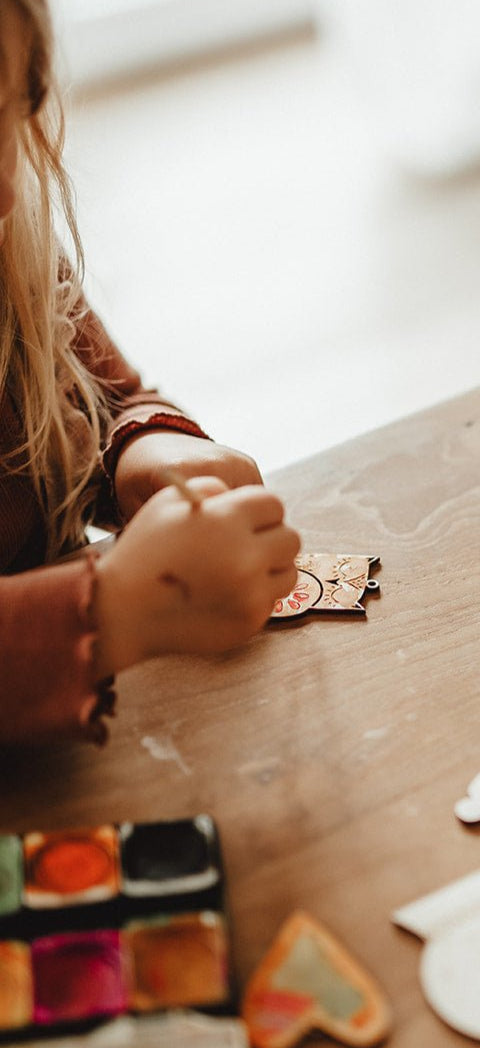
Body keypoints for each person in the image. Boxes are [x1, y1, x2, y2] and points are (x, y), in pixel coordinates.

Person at [0, 0, 301, 744]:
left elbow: (113, 397)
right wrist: (106, 611)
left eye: (11, 110)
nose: (7, 189)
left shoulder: (13, 241)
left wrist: (144, 449)